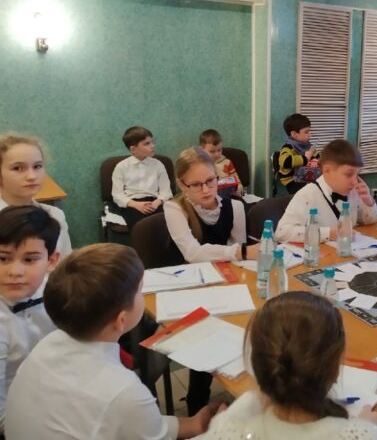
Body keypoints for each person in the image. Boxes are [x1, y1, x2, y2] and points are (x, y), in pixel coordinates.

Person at [5, 243, 221, 439]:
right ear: (121, 320)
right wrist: (223, 428)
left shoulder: (46, 346)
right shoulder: (124, 392)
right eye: (140, 291)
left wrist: (192, 425)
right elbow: (126, 410)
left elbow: (129, 422)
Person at [196, 291, 377, 440]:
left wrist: (227, 419)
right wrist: (367, 429)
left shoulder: (228, 429)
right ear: (335, 370)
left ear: (258, 365)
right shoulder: (363, 435)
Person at [164, 147, 255, 414]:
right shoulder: (174, 208)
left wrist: (239, 254)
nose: (206, 189)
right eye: (196, 184)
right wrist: (239, 252)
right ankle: (197, 402)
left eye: (210, 180)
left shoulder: (235, 206)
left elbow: (238, 253)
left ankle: (248, 391)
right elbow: (193, 254)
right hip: (188, 283)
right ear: (182, 184)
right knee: (205, 333)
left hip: (224, 280)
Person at [0, 206, 61, 431]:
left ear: (52, 261)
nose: (15, 271)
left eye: (29, 260)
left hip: (59, 395)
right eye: (3, 258)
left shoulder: (58, 293)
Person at [275, 140, 377, 243]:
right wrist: (328, 233)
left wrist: (369, 203)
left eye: (357, 174)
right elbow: (282, 233)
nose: (355, 181)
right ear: (327, 170)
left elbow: (368, 222)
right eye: (349, 174)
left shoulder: (354, 191)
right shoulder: (308, 194)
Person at [0, 134, 72, 259]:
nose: (32, 176)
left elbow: (65, 264)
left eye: (37, 166)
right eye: (18, 168)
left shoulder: (55, 216)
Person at [111, 126, 173, 231]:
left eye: (152, 142)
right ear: (133, 149)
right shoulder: (121, 167)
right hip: (132, 204)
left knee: (165, 224)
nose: (152, 146)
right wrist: (136, 205)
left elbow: (166, 191)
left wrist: (156, 203)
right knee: (141, 227)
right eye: (147, 143)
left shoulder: (158, 165)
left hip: (155, 202)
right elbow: (117, 195)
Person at [277, 113, 321, 194]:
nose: (310, 135)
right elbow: (285, 161)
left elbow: (317, 156)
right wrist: (306, 158)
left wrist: (317, 160)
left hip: (306, 177)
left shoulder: (307, 145)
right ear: (294, 134)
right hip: (292, 180)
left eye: (310, 131)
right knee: (310, 192)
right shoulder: (288, 147)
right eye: (306, 132)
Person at [198, 129, 244, 199]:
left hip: (228, 196)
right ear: (202, 150)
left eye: (219, 150)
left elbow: (236, 179)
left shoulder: (227, 162)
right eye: (212, 151)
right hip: (208, 196)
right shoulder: (199, 165)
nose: (217, 154)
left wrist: (239, 187)